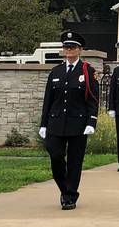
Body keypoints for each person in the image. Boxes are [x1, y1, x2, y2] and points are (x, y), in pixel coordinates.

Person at [39, 30, 99, 210]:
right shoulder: (56, 71)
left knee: (75, 161)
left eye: (72, 47)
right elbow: (48, 99)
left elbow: (93, 99)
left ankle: (70, 195)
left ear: (80, 50)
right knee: (56, 156)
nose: (69, 50)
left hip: (78, 124)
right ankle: (65, 189)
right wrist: (43, 124)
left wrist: (91, 122)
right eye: (66, 47)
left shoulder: (87, 71)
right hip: (56, 123)